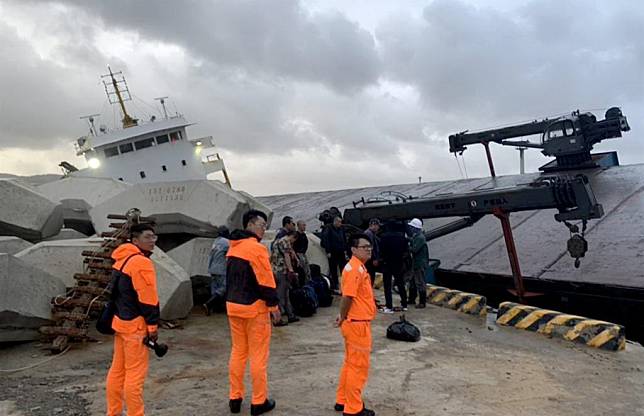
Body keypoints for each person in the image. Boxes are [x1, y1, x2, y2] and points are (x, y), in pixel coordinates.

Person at [226, 210, 281, 415]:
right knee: (258, 356)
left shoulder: (233, 248)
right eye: (261, 224)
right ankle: (259, 401)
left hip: (233, 306)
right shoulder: (256, 249)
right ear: (250, 224)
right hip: (254, 309)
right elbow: (266, 281)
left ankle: (235, 398)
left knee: (238, 352)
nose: (264, 228)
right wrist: (274, 307)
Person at [106, 223, 160, 416]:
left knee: (117, 370)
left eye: (154, 237)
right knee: (135, 375)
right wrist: (152, 326)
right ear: (135, 240)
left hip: (120, 322)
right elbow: (148, 298)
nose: (152, 241)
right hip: (135, 326)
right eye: (147, 237)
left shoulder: (121, 259)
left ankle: (113, 412)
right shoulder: (141, 262)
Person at [334, 233, 377, 416]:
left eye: (369, 247)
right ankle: (353, 408)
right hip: (357, 325)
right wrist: (342, 316)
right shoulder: (354, 270)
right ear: (353, 249)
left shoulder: (357, 268)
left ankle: (342, 400)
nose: (368, 249)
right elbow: (348, 297)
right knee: (358, 368)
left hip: (354, 322)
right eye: (364, 247)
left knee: (350, 364)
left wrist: (343, 317)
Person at [270, 230, 300, 326]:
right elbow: (287, 256)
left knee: (285, 293)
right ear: (292, 237)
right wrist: (291, 270)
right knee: (281, 295)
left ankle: (290, 315)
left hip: (275, 270)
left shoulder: (276, 241)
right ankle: (277, 318)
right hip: (282, 271)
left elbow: (272, 256)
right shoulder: (285, 241)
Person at [379, 221, 409, 313]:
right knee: (400, 284)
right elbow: (406, 251)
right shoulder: (401, 237)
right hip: (398, 263)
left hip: (387, 264)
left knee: (387, 286)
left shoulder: (384, 237)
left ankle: (389, 306)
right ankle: (404, 304)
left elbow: (381, 251)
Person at [203, 225, 230, 315]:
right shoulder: (227, 242)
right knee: (224, 287)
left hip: (212, 268)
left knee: (215, 288)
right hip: (221, 269)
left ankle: (214, 308)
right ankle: (209, 304)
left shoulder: (216, 241)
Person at [321, 216, 347, 292]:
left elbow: (344, 238)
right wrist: (328, 251)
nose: (340, 224)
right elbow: (326, 240)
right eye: (339, 222)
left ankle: (345, 282)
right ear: (335, 222)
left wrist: (345, 249)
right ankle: (335, 284)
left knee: (343, 267)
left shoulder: (341, 229)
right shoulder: (328, 229)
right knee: (333, 269)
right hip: (333, 252)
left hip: (341, 251)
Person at [407, 218, 429, 308]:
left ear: (416, 228)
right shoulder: (417, 236)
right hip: (415, 263)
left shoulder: (420, 238)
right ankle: (412, 299)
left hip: (419, 264)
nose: (411, 229)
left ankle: (422, 302)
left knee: (420, 282)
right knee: (412, 281)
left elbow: (414, 250)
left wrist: (407, 247)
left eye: (412, 227)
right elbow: (413, 240)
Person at [363, 218, 381, 285]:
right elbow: (370, 248)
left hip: (369, 259)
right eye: (377, 226)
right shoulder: (369, 234)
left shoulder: (371, 233)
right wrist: (374, 258)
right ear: (373, 225)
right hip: (369, 260)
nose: (378, 228)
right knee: (370, 276)